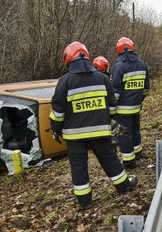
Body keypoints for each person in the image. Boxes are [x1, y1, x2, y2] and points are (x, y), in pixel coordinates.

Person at [50, 41, 137, 209]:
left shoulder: (65, 81)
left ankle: (85, 201)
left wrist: (55, 129)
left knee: (78, 166)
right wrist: (105, 117)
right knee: (110, 159)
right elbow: (112, 106)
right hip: (99, 130)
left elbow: (58, 111)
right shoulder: (102, 78)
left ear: (68, 59)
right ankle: (123, 185)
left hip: (74, 135)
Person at [111, 36, 150, 169]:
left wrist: (111, 108)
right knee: (135, 130)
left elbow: (115, 91)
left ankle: (129, 162)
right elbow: (146, 89)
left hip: (122, 110)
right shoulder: (142, 65)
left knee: (124, 135)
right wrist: (139, 100)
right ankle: (137, 154)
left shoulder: (119, 67)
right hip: (136, 107)